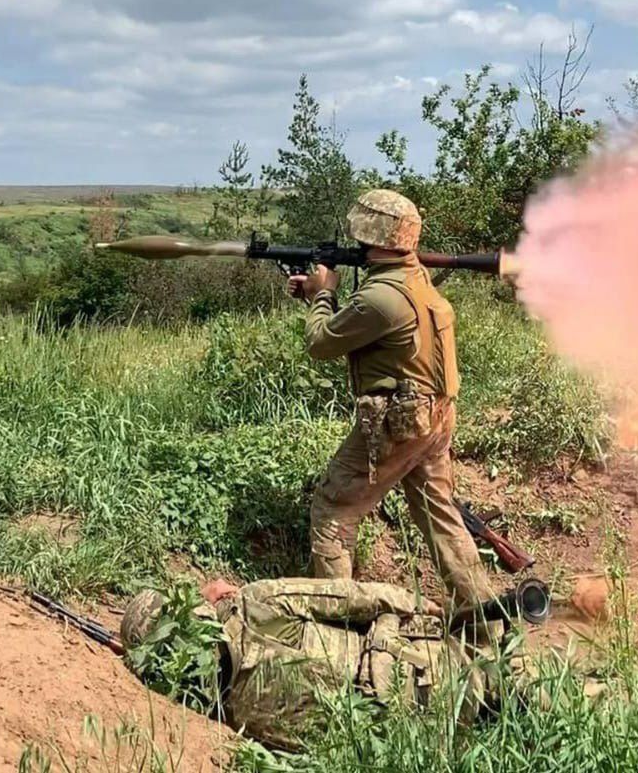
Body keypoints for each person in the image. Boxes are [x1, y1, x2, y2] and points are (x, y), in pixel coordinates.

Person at [287, 189, 496, 612]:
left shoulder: (380, 297)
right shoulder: (415, 279)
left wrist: (322, 294)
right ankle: (484, 616)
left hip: (400, 423)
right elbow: (372, 323)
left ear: (372, 235)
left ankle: (336, 627)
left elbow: (321, 342)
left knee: (332, 509)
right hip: (435, 419)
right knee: (441, 518)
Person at [121, 578, 507, 752]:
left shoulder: (220, 706)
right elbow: (356, 597)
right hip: (433, 674)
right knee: (525, 688)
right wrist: (423, 608)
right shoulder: (255, 606)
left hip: (417, 741)